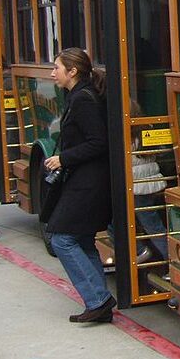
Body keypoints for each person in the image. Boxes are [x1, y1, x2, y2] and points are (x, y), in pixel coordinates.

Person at [41, 48, 114, 324]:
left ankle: (98, 298)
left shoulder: (83, 100)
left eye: (57, 68)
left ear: (72, 71)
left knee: (62, 239)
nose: (52, 73)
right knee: (82, 240)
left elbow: (98, 142)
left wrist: (63, 158)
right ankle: (99, 301)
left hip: (88, 182)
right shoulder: (78, 95)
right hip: (86, 179)